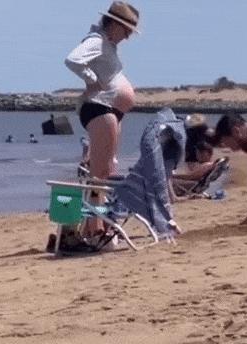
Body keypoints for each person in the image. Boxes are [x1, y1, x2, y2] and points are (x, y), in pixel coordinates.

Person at [65, 1, 140, 243]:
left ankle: (96, 225)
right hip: (99, 108)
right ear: (115, 24)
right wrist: (91, 80)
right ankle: (93, 228)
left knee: (105, 170)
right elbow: (73, 60)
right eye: (127, 30)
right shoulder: (96, 41)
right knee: (99, 174)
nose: (128, 36)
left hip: (109, 109)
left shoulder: (107, 45)